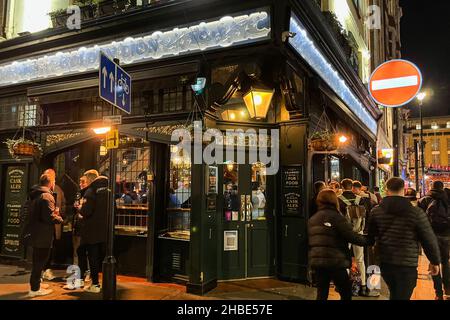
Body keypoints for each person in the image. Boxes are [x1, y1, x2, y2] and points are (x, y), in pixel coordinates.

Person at [367, 177, 441, 300]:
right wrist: (434, 261)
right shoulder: (416, 213)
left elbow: (370, 236)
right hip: (407, 264)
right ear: (404, 189)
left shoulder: (376, 211)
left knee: (394, 293)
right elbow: (428, 239)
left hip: (385, 262)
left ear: (386, 189)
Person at [308, 189, 371, 300]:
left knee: (321, 294)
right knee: (345, 293)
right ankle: (364, 285)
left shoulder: (313, 219)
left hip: (319, 263)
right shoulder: (337, 218)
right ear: (334, 200)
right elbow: (351, 236)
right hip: (336, 262)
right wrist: (369, 241)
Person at [28, 173, 64, 297]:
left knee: (37, 262)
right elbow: (49, 217)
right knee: (40, 263)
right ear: (51, 182)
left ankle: (36, 284)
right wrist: (59, 217)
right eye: (54, 181)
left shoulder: (36, 194)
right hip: (43, 235)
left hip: (36, 233)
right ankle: (34, 289)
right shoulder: (47, 196)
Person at [338, 179, 373, 296]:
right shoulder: (361, 199)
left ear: (342, 187)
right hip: (359, 232)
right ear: (352, 187)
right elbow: (366, 216)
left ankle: (345, 285)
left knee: (344, 259)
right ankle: (363, 286)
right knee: (360, 259)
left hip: (344, 233)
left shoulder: (338, 200)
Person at [417, 181, 450, 300]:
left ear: (431, 187)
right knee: (445, 262)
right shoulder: (448, 198)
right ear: (442, 188)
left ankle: (438, 293)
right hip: (446, 234)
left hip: (430, 236)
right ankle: (448, 290)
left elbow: (419, 219)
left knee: (434, 263)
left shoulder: (424, 200)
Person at [77, 170, 108, 293]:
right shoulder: (108, 191)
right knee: (101, 257)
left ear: (90, 180)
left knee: (92, 257)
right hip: (105, 230)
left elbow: (86, 211)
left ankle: (95, 284)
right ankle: (97, 282)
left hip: (91, 231)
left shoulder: (90, 192)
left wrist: (81, 209)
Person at [41, 168, 66, 281]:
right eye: (50, 177)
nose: (53, 180)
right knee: (44, 248)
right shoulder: (41, 192)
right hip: (44, 226)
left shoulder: (59, 190)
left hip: (54, 225)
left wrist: (60, 212)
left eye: (53, 177)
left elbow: (63, 205)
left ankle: (46, 269)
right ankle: (42, 271)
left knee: (52, 247)